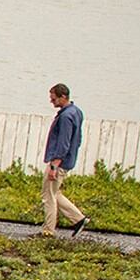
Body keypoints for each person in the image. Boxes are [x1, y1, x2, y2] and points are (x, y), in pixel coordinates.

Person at [40, 83, 88, 237]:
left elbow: (63, 143)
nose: (51, 101)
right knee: (54, 192)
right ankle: (78, 219)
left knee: (48, 195)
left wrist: (54, 165)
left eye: (54, 98)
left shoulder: (66, 116)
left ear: (63, 97)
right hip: (68, 160)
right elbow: (77, 139)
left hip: (59, 162)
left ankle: (48, 231)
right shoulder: (76, 112)